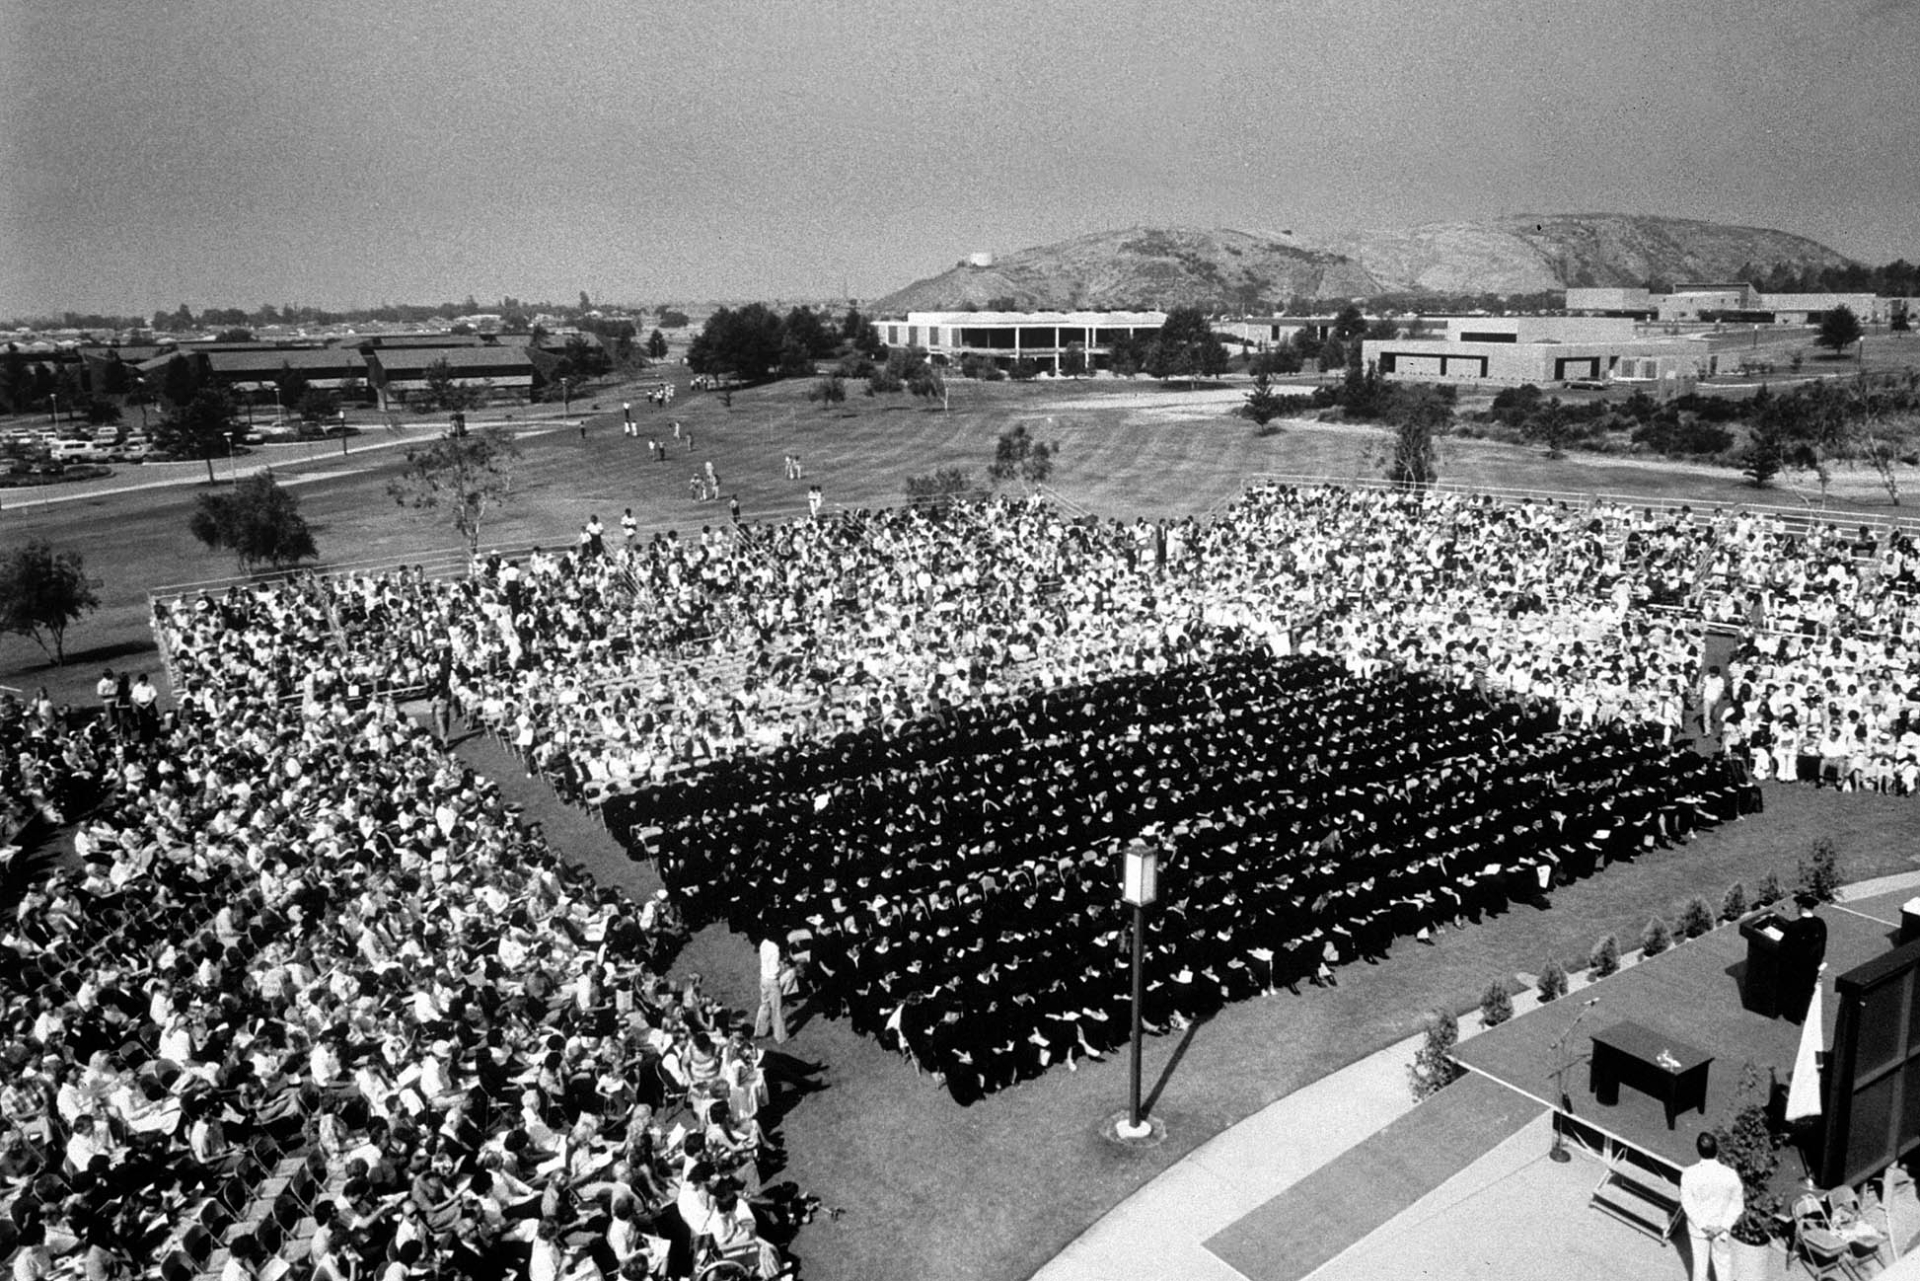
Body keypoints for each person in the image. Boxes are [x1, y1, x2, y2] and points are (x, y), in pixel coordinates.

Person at [1680, 1131, 1743, 1281]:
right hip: (1721, 1231)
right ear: (1717, 1149)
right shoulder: (1730, 1175)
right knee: (1723, 1267)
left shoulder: (1689, 1174)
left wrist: (1703, 1226)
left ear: (1698, 1150)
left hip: (1698, 1230)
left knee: (1700, 1267)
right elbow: (1737, 1204)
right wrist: (1722, 1226)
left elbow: (1687, 1204)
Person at [1780, 893, 1828, 1023]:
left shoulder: (1795, 926)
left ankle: (1793, 1016)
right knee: (1807, 990)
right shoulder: (1820, 923)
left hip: (1796, 967)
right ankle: (1802, 1013)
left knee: (1794, 989)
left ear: (1801, 906)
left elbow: (1785, 947)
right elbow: (1822, 945)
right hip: (1813, 965)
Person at [753, 938, 788, 1044]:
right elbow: (776, 969)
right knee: (776, 1010)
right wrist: (783, 967)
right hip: (773, 981)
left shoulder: (763, 943)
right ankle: (780, 1036)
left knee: (764, 1005)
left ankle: (760, 1031)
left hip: (763, 978)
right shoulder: (776, 948)